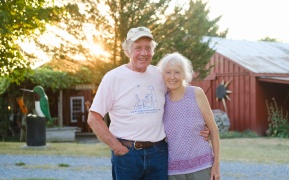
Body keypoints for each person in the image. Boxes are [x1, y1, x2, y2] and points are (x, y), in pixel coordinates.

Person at [87, 27, 209, 180]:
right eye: (138, 48)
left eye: (148, 48)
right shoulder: (113, 78)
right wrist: (117, 147)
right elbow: (94, 117)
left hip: (159, 153)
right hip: (127, 155)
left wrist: (202, 127)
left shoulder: (160, 74)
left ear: (153, 51)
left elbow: (181, 99)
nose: (144, 53)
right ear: (127, 50)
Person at [157, 52, 221, 180]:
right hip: (173, 171)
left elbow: (213, 129)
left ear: (185, 75)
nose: (172, 77)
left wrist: (216, 165)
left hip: (202, 167)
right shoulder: (160, 100)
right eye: (168, 72)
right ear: (162, 75)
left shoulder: (196, 93)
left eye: (177, 72)